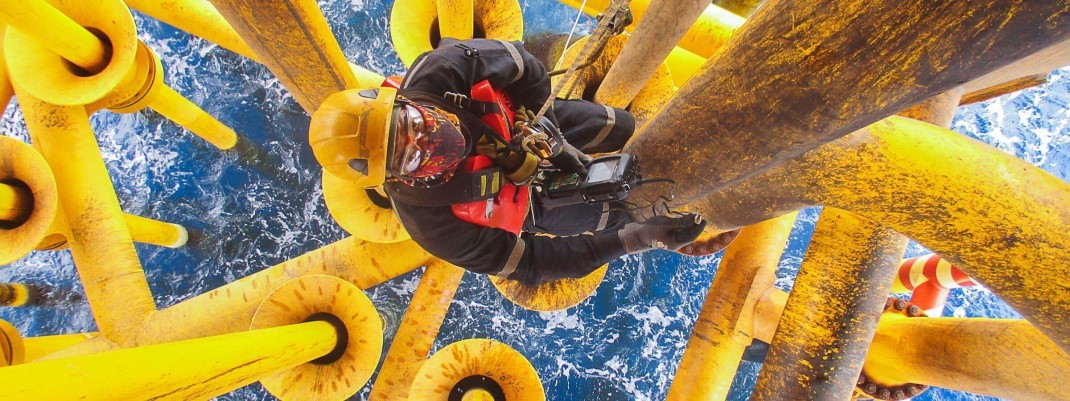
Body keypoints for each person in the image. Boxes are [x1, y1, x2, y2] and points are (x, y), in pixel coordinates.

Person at [311, 38, 706, 285]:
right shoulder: (435, 226)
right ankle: (632, 214)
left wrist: (530, 123)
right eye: (410, 156)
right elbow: (533, 263)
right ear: (396, 179)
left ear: (403, 102)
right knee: (616, 211)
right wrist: (639, 238)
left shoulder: (441, 70)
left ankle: (641, 133)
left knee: (622, 127)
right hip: (527, 201)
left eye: (411, 122)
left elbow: (524, 65)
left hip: (530, 123)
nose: (424, 139)